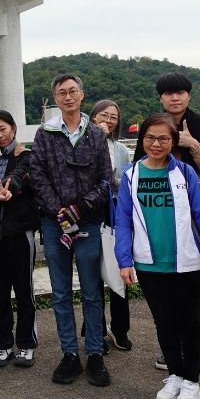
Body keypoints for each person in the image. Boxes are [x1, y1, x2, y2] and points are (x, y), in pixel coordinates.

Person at [115, 112, 200, 399]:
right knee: (164, 322)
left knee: (189, 322)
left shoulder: (186, 174)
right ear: (142, 140)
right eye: (150, 138)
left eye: (164, 138)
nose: (156, 143)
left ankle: (191, 381)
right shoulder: (131, 175)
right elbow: (122, 221)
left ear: (173, 141)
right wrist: (124, 260)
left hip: (188, 262)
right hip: (150, 264)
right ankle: (174, 374)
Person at [134, 73, 200, 378]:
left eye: (180, 92)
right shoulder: (154, 127)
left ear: (189, 95)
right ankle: (175, 349)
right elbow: (141, 172)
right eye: (168, 94)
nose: (174, 98)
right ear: (161, 98)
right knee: (171, 290)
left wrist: (193, 144)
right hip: (165, 219)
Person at [29, 71, 113, 388]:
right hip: (54, 224)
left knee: (92, 291)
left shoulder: (95, 134)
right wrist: (58, 209)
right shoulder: (44, 134)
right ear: (56, 98)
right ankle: (69, 354)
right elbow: (37, 175)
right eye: (61, 92)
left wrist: (80, 207)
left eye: (72, 91)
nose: (67, 96)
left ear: (82, 94)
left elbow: (106, 180)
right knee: (61, 292)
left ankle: (94, 353)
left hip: (88, 221)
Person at [0, 109, 39, 367]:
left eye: (3, 129)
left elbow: (21, 177)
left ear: (13, 128)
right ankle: (3, 343)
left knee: (24, 290)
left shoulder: (27, 155)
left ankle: (26, 344)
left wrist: (9, 189)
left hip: (20, 232)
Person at [87, 99, 133, 352]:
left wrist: (112, 180)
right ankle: (96, 330)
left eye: (114, 117)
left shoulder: (121, 150)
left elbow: (124, 183)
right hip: (92, 214)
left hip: (115, 214)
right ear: (93, 117)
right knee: (92, 275)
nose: (108, 119)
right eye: (103, 114)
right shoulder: (84, 143)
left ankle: (120, 329)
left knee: (118, 271)